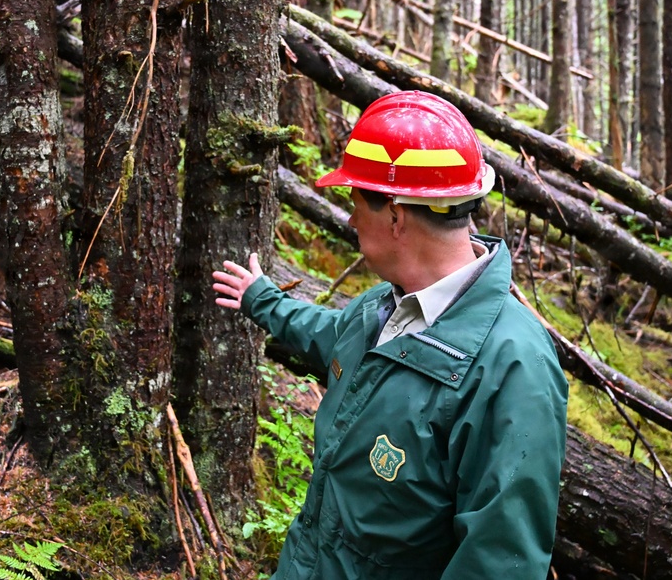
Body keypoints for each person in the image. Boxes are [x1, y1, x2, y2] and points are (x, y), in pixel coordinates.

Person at [212, 91, 569, 579]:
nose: (352, 219)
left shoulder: (513, 367)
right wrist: (261, 300)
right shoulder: (383, 307)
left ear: (397, 217)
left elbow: (497, 560)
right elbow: (327, 335)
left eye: (356, 202)